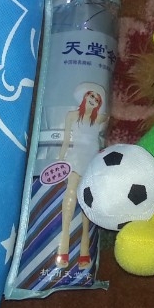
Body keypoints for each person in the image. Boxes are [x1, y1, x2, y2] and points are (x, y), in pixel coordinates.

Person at [55, 88, 106, 268]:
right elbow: (66, 141)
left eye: (97, 99)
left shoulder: (99, 119)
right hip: (75, 158)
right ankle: (63, 248)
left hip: (91, 161)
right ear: (85, 96)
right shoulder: (72, 116)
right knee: (70, 195)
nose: (93, 99)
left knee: (86, 201)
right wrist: (60, 161)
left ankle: (85, 252)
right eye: (91, 96)